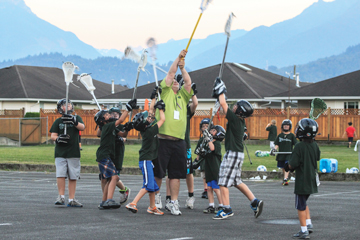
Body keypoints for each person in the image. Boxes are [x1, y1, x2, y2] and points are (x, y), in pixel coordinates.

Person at [211, 78, 263, 220]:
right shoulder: (239, 120)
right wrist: (220, 94)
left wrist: (220, 89)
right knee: (236, 181)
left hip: (232, 154)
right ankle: (255, 201)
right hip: (237, 154)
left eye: (236, 107)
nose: (233, 108)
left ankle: (226, 209)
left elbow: (223, 103)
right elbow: (224, 103)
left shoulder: (234, 119)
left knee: (222, 181)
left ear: (240, 111)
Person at [153, 49, 193, 216]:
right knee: (159, 172)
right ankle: (156, 197)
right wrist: (178, 59)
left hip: (179, 141)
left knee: (176, 174)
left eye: (179, 81)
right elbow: (170, 74)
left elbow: (189, 83)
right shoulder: (166, 92)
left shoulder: (183, 96)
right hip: (162, 139)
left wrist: (183, 68)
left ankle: (173, 202)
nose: (176, 82)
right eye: (174, 81)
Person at [94, 99, 137, 209]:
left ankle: (104, 201)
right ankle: (109, 200)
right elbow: (121, 119)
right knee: (114, 177)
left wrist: (127, 129)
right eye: (107, 115)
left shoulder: (111, 127)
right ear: (103, 121)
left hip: (106, 155)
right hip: (104, 155)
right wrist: (128, 108)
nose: (110, 115)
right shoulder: (107, 126)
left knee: (109, 179)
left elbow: (122, 134)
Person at [126, 100, 166, 215]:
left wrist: (153, 100)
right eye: (147, 118)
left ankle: (152, 207)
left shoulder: (146, 129)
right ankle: (133, 203)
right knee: (148, 185)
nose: (150, 118)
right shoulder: (150, 130)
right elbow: (163, 119)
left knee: (153, 185)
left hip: (148, 160)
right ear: (144, 123)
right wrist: (161, 109)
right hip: (146, 160)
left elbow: (151, 112)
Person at [284, 118, 321, 239]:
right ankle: (309, 224)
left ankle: (303, 230)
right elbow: (317, 157)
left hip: (302, 180)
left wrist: (287, 166)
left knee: (300, 206)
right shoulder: (315, 145)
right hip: (312, 179)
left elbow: (293, 163)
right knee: (304, 202)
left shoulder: (299, 146)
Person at [50, 99, 86, 207]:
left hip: (73, 152)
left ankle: (72, 199)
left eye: (69, 104)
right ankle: (61, 197)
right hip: (60, 152)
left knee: (73, 175)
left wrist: (73, 121)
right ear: (60, 108)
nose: (68, 106)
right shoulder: (58, 121)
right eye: (65, 105)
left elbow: (82, 127)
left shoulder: (77, 118)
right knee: (60, 174)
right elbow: (53, 135)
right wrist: (58, 139)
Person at [201, 125, 224, 214]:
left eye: (213, 130)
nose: (211, 131)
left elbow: (212, 148)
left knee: (216, 188)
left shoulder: (217, 143)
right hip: (209, 168)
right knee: (209, 188)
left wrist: (209, 139)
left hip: (215, 169)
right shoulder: (209, 143)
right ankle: (211, 205)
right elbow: (207, 152)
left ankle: (221, 205)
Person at [271, 119, 297, 186]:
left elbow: (296, 144)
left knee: (286, 166)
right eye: (284, 125)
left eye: (287, 126)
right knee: (282, 167)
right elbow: (277, 144)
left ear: (290, 127)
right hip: (281, 154)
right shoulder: (280, 135)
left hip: (288, 154)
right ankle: (285, 177)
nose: (286, 127)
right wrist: (274, 150)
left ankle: (285, 179)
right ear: (282, 127)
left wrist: (296, 151)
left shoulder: (292, 136)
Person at [193, 118, 211, 200]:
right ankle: (206, 190)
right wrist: (196, 160)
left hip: (210, 160)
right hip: (203, 161)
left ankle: (211, 189)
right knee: (204, 176)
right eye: (203, 126)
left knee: (210, 175)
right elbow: (198, 151)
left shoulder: (211, 139)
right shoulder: (201, 140)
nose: (205, 128)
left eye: (207, 126)